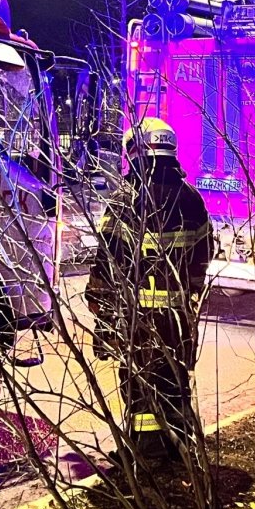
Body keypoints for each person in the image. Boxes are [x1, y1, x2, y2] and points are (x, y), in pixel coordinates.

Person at [87, 117, 215, 461]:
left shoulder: (127, 200)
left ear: (139, 154)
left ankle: (146, 455)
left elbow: (107, 262)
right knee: (174, 380)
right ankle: (179, 448)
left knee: (141, 384)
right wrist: (187, 298)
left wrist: (102, 312)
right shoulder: (192, 199)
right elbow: (203, 255)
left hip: (139, 320)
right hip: (179, 318)